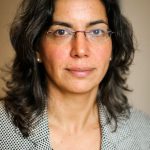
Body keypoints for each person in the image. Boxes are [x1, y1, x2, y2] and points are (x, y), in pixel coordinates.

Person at [0, 0, 150, 149]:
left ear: (113, 45)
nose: (80, 50)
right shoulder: (3, 130)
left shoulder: (143, 132)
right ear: (36, 46)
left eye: (96, 31)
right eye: (62, 32)